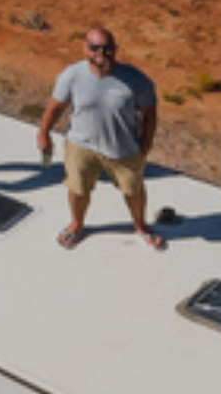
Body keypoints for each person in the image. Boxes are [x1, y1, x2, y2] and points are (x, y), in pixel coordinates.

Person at [36, 27, 163, 250]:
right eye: (95, 48)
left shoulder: (136, 80)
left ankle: (141, 226)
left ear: (115, 49)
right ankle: (76, 224)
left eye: (107, 48)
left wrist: (147, 142)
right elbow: (56, 107)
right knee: (78, 189)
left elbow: (150, 114)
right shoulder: (72, 75)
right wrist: (43, 133)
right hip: (81, 145)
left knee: (133, 190)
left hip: (123, 148)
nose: (101, 54)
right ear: (85, 48)